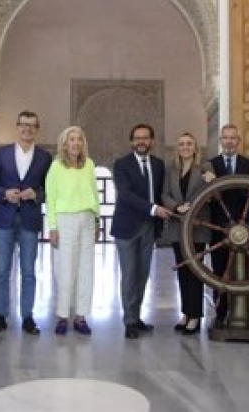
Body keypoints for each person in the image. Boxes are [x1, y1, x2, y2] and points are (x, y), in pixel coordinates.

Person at [0, 111, 51, 336]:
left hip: (30, 220)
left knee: (29, 271)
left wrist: (36, 194)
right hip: (4, 218)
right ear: (17, 127)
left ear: (37, 129)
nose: (27, 129)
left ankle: (27, 317)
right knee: (3, 270)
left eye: (32, 126)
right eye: (23, 125)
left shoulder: (44, 157)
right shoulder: (2, 153)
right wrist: (4, 193)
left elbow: (49, 190)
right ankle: (0, 315)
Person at [111, 123, 172, 339]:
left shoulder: (158, 164)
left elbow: (160, 193)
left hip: (149, 228)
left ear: (152, 141)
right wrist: (154, 209)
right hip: (126, 228)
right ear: (131, 142)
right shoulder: (121, 164)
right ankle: (129, 321)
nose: (141, 142)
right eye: (137, 138)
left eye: (145, 138)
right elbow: (126, 195)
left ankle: (136, 317)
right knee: (129, 275)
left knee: (143, 275)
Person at [45, 126, 100, 336]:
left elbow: (94, 195)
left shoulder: (89, 165)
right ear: (65, 144)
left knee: (86, 269)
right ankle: (62, 316)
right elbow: (51, 199)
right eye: (71, 140)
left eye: (79, 139)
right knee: (65, 270)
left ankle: (81, 316)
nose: (75, 143)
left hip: (86, 219)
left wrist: (96, 221)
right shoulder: (56, 167)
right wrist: (52, 227)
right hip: (64, 221)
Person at [162, 132, 214, 335]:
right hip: (177, 227)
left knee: (196, 273)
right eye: (181, 144)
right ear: (177, 147)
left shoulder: (205, 167)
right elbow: (164, 194)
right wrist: (176, 207)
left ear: (195, 147)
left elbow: (214, 192)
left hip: (198, 228)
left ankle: (195, 318)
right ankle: (186, 313)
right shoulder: (171, 169)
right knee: (183, 273)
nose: (185, 147)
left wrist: (212, 181)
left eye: (189, 144)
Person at [208, 124, 249, 328]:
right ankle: (220, 314)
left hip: (246, 228)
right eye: (225, 138)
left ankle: (245, 312)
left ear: (238, 141)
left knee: (244, 272)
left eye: (233, 138)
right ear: (220, 141)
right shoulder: (210, 165)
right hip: (218, 227)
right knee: (219, 271)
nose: (229, 141)